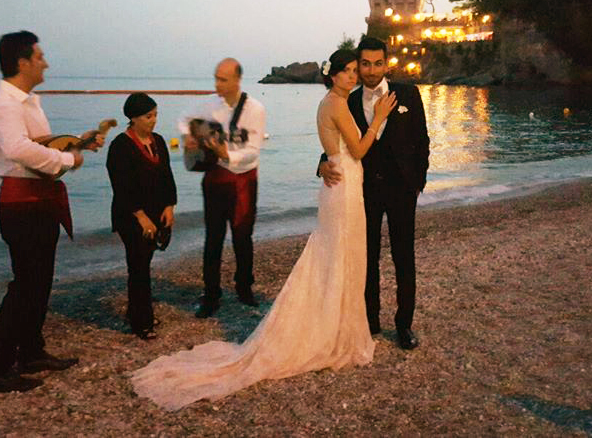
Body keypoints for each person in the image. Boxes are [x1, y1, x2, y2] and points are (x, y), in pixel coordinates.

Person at [131, 49, 397, 410]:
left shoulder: (331, 102)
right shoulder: (336, 104)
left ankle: (335, 323)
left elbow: (336, 151)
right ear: (333, 75)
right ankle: (332, 331)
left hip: (340, 181)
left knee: (337, 253)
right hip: (345, 184)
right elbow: (360, 149)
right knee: (341, 252)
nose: (353, 76)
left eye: (355, 70)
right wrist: (379, 117)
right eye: (347, 71)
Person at [0, 31, 104, 393]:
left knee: (39, 283)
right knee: (24, 286)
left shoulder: (29, 101)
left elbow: (40, 145)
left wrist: (76, 144)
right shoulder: (5, 102)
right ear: (22, 62)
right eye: (40, 56)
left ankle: (31, 351)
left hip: (41, 202)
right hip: (21, 205)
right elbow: (18, 149)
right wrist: (68, 158)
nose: (45, 62)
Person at [320, 37, 430, 350]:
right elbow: (335, 145)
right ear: (359, 65)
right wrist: (321, 167)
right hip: (363, 192)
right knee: (366, 257)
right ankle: (370, 320)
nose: (370, 70)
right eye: (364, 64)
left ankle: (404, 325)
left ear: (386, 63)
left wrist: (417, 181)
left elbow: (422, 140)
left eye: (377, 63)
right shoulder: (349, 102)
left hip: (402, 191)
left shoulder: (407, 93)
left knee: (403, 257)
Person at [179, 58, 266, 318]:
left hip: (242, 180)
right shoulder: (209, 105)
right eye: (216, 78)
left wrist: (227, 154)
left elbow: (253, 151)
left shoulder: (255, 109)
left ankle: (244, 288)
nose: (217, 83)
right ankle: (211, 294)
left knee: (243, 237)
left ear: (237, 80)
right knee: (213, 238)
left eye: (223, 79)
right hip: (215, 178)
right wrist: (190, 137)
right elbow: (184, 119)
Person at [106, 93, 177, 340]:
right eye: (148, 116)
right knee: (138, 266)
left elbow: (167, 175)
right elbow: (121, 185)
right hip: (131, 215)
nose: (153, 121)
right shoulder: (120, 146)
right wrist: (141, 216)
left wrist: (169, 206)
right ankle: (141, 321)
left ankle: (138, 311)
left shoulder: (158, 141)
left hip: (156, 211)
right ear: (134, 118)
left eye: (155, 115)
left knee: (145, 262)